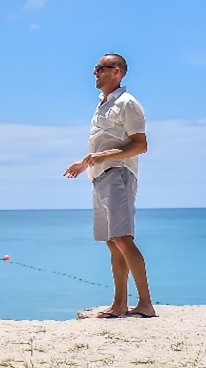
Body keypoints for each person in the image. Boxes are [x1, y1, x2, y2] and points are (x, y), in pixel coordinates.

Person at [64, 52, 156, 318]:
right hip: (100, 175)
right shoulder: (103, 104)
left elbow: (140, 145)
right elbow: (103, 142)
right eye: (96, 68)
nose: (95, 72)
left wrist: (103, 156)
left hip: (118, 173)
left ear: (117, 72)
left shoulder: (128, 103)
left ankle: (145, 304)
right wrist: (85, 162)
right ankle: (119, 304)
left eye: (101, 68)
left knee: (123, 238)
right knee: (113, 242)